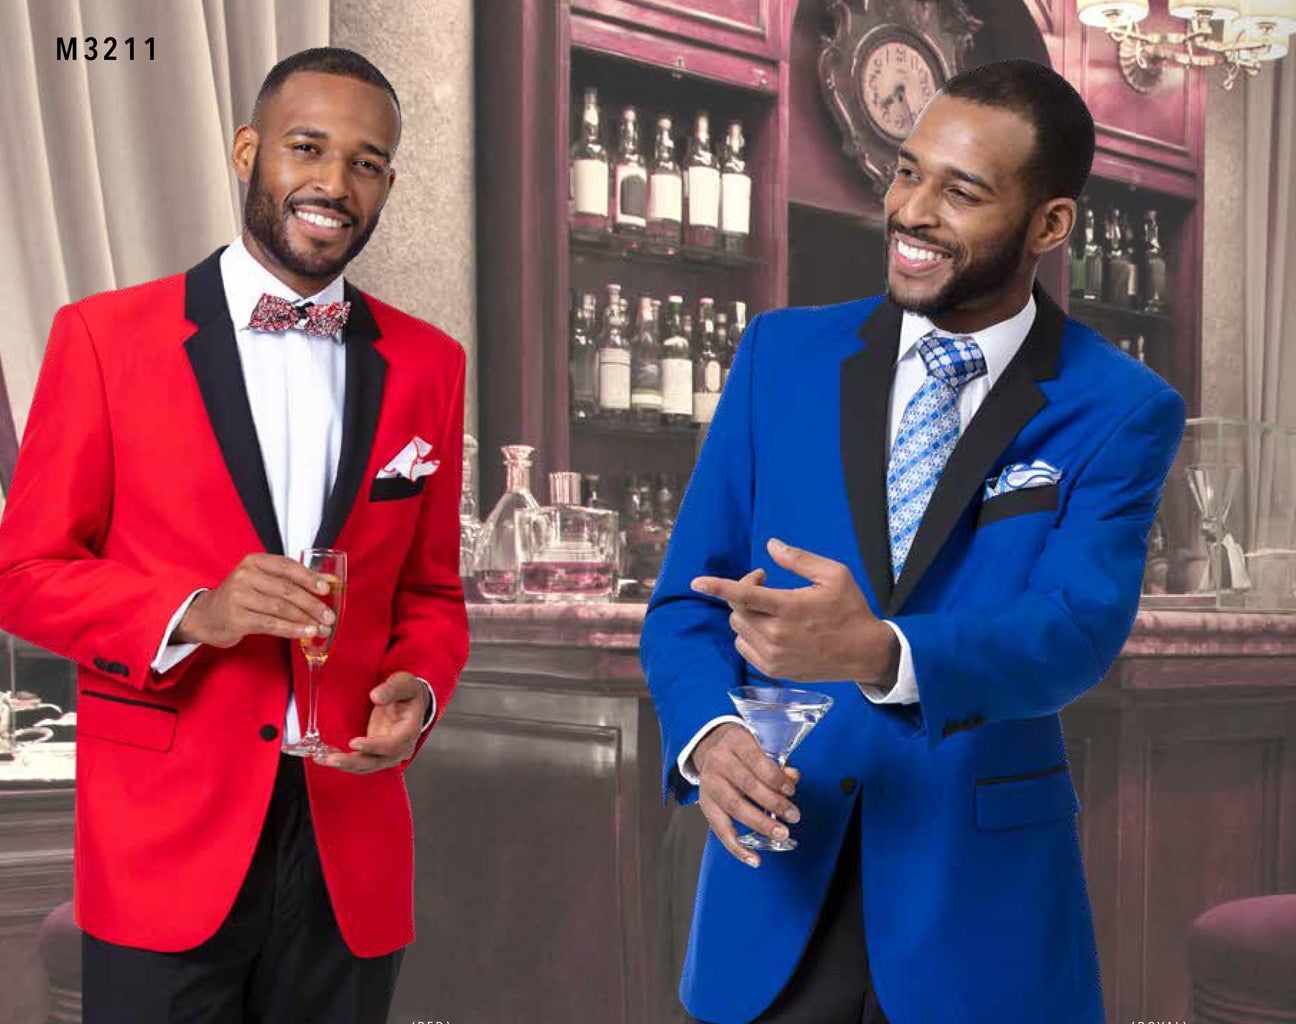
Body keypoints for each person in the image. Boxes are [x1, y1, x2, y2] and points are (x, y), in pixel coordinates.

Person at [641, 59, 1185, 1024]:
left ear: (1050, 226)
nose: (913, 210)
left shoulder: (1121, 407)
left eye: (962, 190)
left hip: (979, 911)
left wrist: (880, 652)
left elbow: (1075, 631)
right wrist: (708, 735)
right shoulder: (780, 355)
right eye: (906, 172)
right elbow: (688, 601)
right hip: (773, 886)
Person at [0, 47, 468, 1023]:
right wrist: (194, 613)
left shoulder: (430, 364)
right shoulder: (103, 339)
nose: (336, 184)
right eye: (309, 147)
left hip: (350, 854)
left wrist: (418, 691)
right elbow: (26, 573)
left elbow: (430, 594)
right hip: (165, 849)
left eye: (367, 161)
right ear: (247, 151)